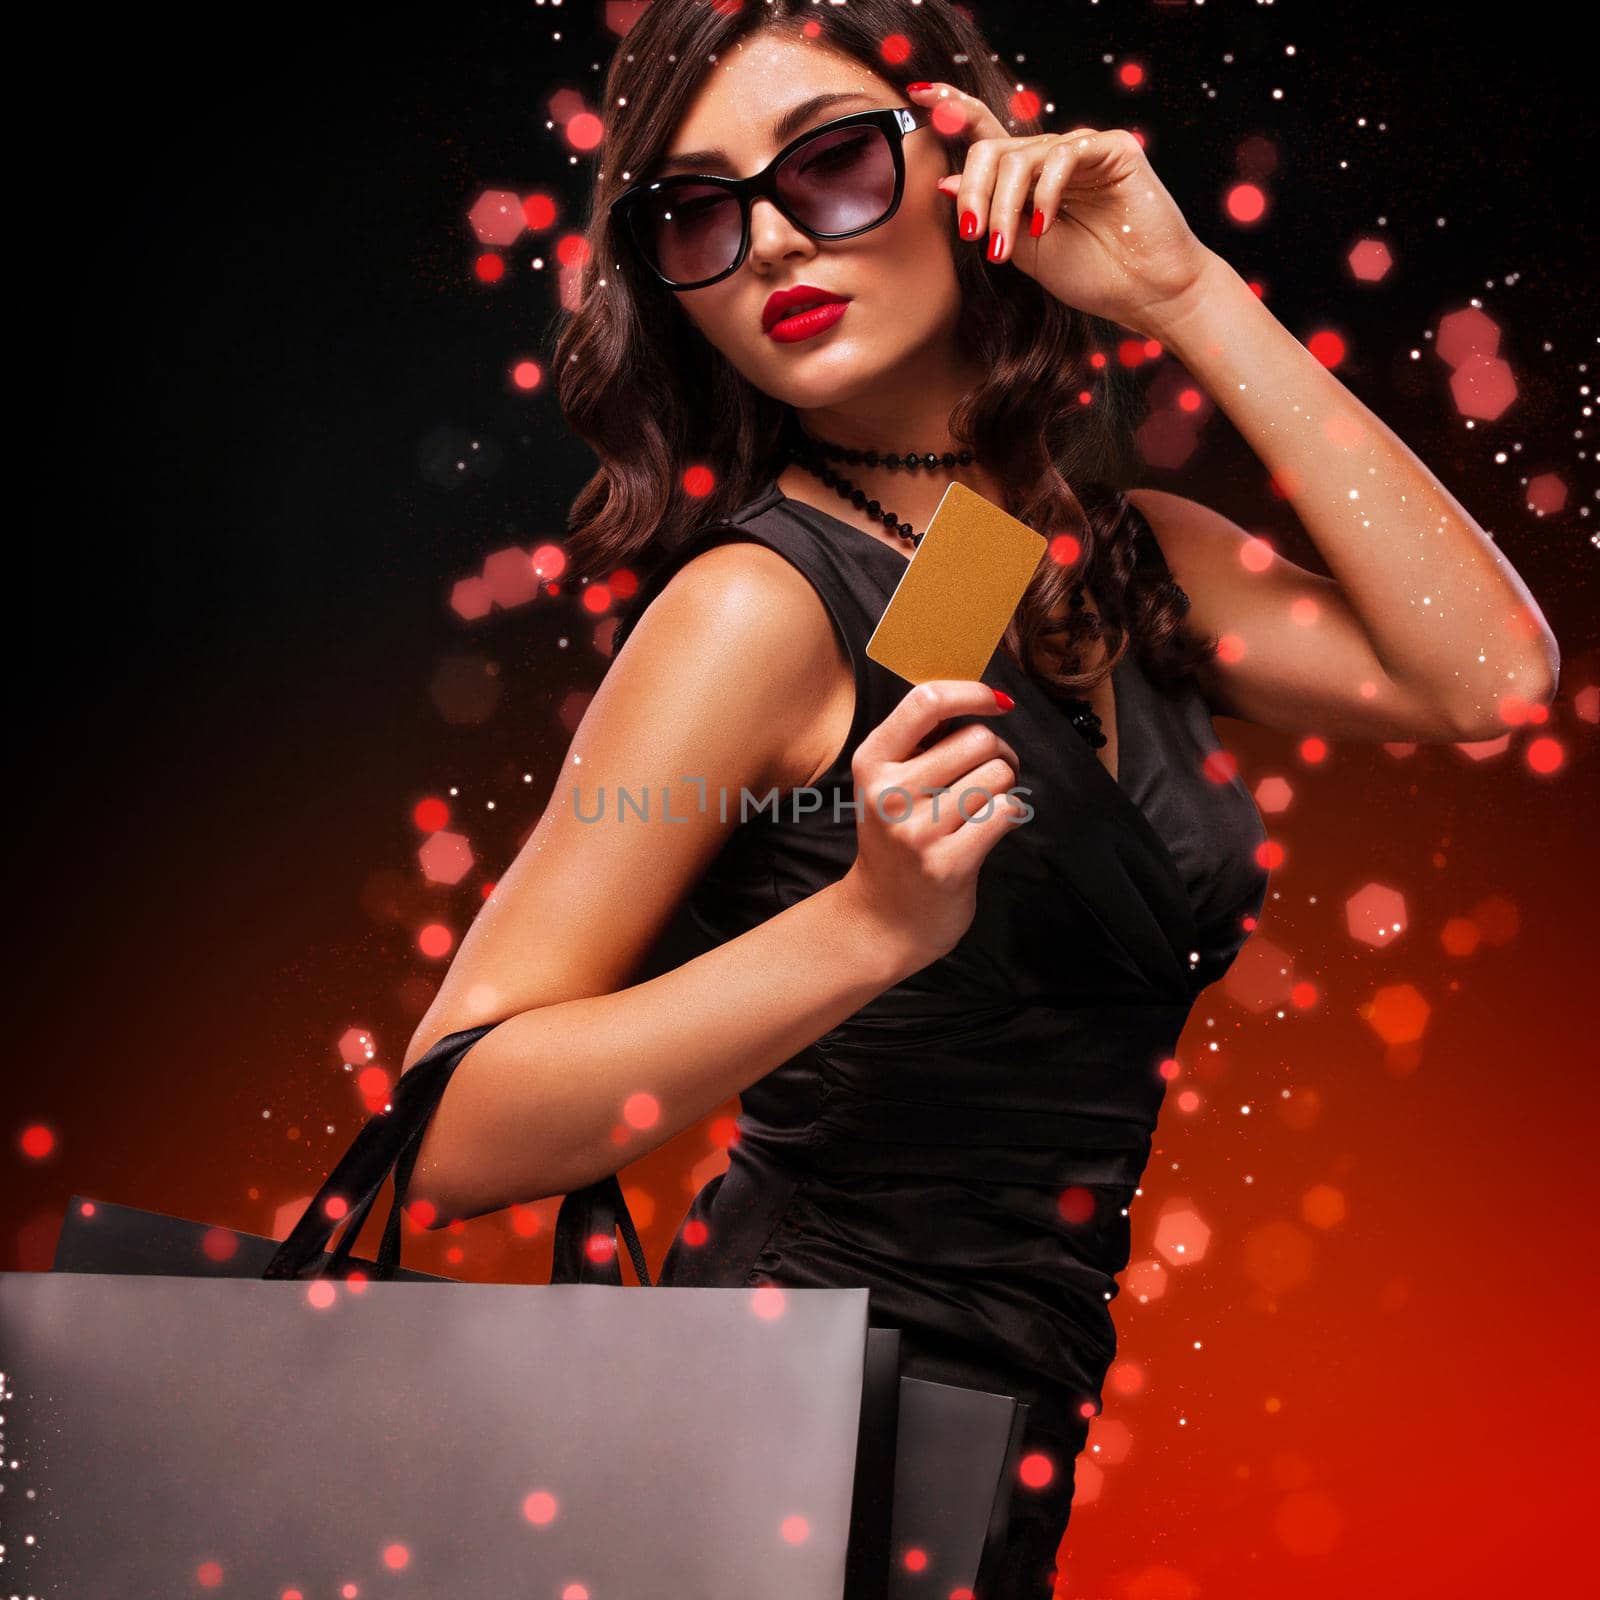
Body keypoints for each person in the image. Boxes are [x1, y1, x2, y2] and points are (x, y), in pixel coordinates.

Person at [399, 2, 1560, 1592]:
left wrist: (1190, 296)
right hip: (784, 1435)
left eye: (828, 167)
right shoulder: (755, 613)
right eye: (699, 211)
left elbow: (1488, 676)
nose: (767, 249)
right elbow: (447, 1131)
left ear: (966, 165)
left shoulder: (1046, 561)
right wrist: (868, 926)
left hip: (998, 1422)